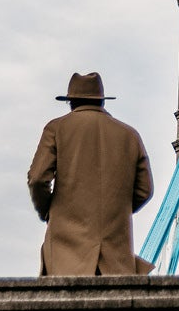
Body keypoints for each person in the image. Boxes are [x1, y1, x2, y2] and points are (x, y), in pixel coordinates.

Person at [27, 72, 155, 277]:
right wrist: (115, 211)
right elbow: (145, 190)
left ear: (71, 102)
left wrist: (48, 211)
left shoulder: (57, 128)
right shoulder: (130, 136)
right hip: (115, 257)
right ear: (102, 101)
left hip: (66, 252)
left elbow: (38, 178)